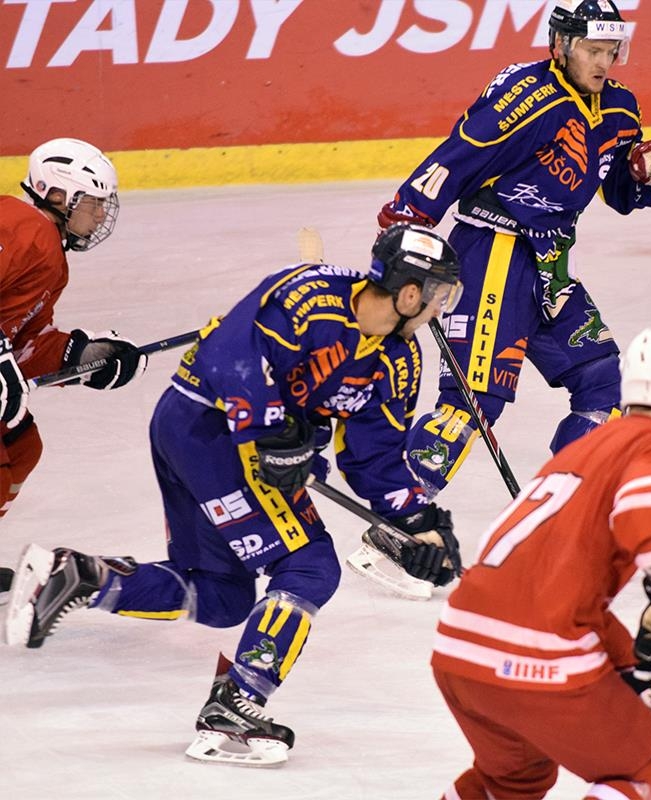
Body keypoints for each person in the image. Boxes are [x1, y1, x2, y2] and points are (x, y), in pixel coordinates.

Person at [4, 224, 466, 766]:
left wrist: (417, 520)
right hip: (212, 428)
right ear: (410, 293)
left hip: (213, 441)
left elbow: (373, 457)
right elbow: (228, 357)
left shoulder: (398, 360)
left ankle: (78, 577)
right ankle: (236, 709)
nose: (441, 307)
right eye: (439, 294)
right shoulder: (308, 295)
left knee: (223, 596)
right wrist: (273, 433)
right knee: (312, 565)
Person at [377, 0, 651, 499]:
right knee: (470, 402)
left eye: (611, 52)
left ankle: (560, 505)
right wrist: (405, 220)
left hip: (549, 263)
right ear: (562, 44)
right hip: (492, 250)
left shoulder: (619, 108)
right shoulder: (524, 97)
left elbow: (619, 195)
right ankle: (402, 516)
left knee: (602, 380)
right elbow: (456, 156)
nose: (603, 63)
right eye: (592, 50)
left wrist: (644, 174)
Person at [431, 329, 651, 800]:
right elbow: (641, 508)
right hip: (535, 657)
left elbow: (574, 598)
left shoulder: (579, 453)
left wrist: (642, 677)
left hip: (458, 650)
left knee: (515, 779)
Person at [0, 137, 148, 519]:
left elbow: (26, 343)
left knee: (21, 448)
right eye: (94, 202)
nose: (101, 216)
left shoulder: (51, 255)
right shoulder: (18, 225)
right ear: (58, 196)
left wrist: (82, 357)